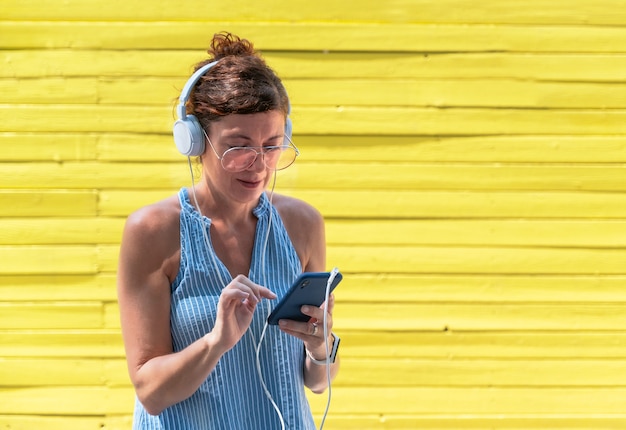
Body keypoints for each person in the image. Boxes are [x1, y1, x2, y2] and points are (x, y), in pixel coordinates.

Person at [116, 31, 340, 429]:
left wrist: (321, 346)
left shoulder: (303, 224)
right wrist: (216, 342)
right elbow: (150, 393)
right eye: (239, 147)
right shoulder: (153, 231)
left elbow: (317, 383)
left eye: (273, 145)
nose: (259, 165)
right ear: (195, 141)